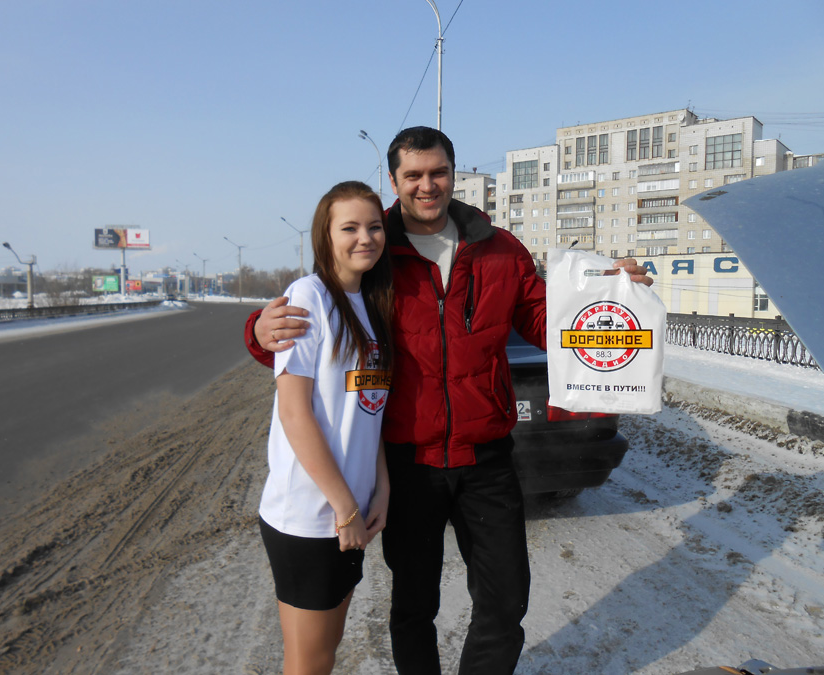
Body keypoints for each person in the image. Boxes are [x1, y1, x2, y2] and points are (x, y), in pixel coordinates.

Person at [245, 127, 652, 674]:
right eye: (413, 175)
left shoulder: (499, 249)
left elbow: (546, 319)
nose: (427, 185)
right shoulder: (377, 247)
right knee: (415, 605)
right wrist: (258, 330)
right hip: (409, 461)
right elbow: (323, 305)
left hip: (485, 458)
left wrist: (610, 292)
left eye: (437, 172)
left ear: (454, 173)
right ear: (394, 182)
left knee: (505, 603)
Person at [257, 180, 394, 675]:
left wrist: (381, 488)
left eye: (374, 227)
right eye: (349, 228)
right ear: (325, 236)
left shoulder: (373, 306)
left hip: (349, 516)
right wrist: (344, 507)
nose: (365, 238)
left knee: (326, 650)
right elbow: (295, 413)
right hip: (310, 517)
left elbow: (369, 411)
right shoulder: (309, 296)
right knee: (309, 663)